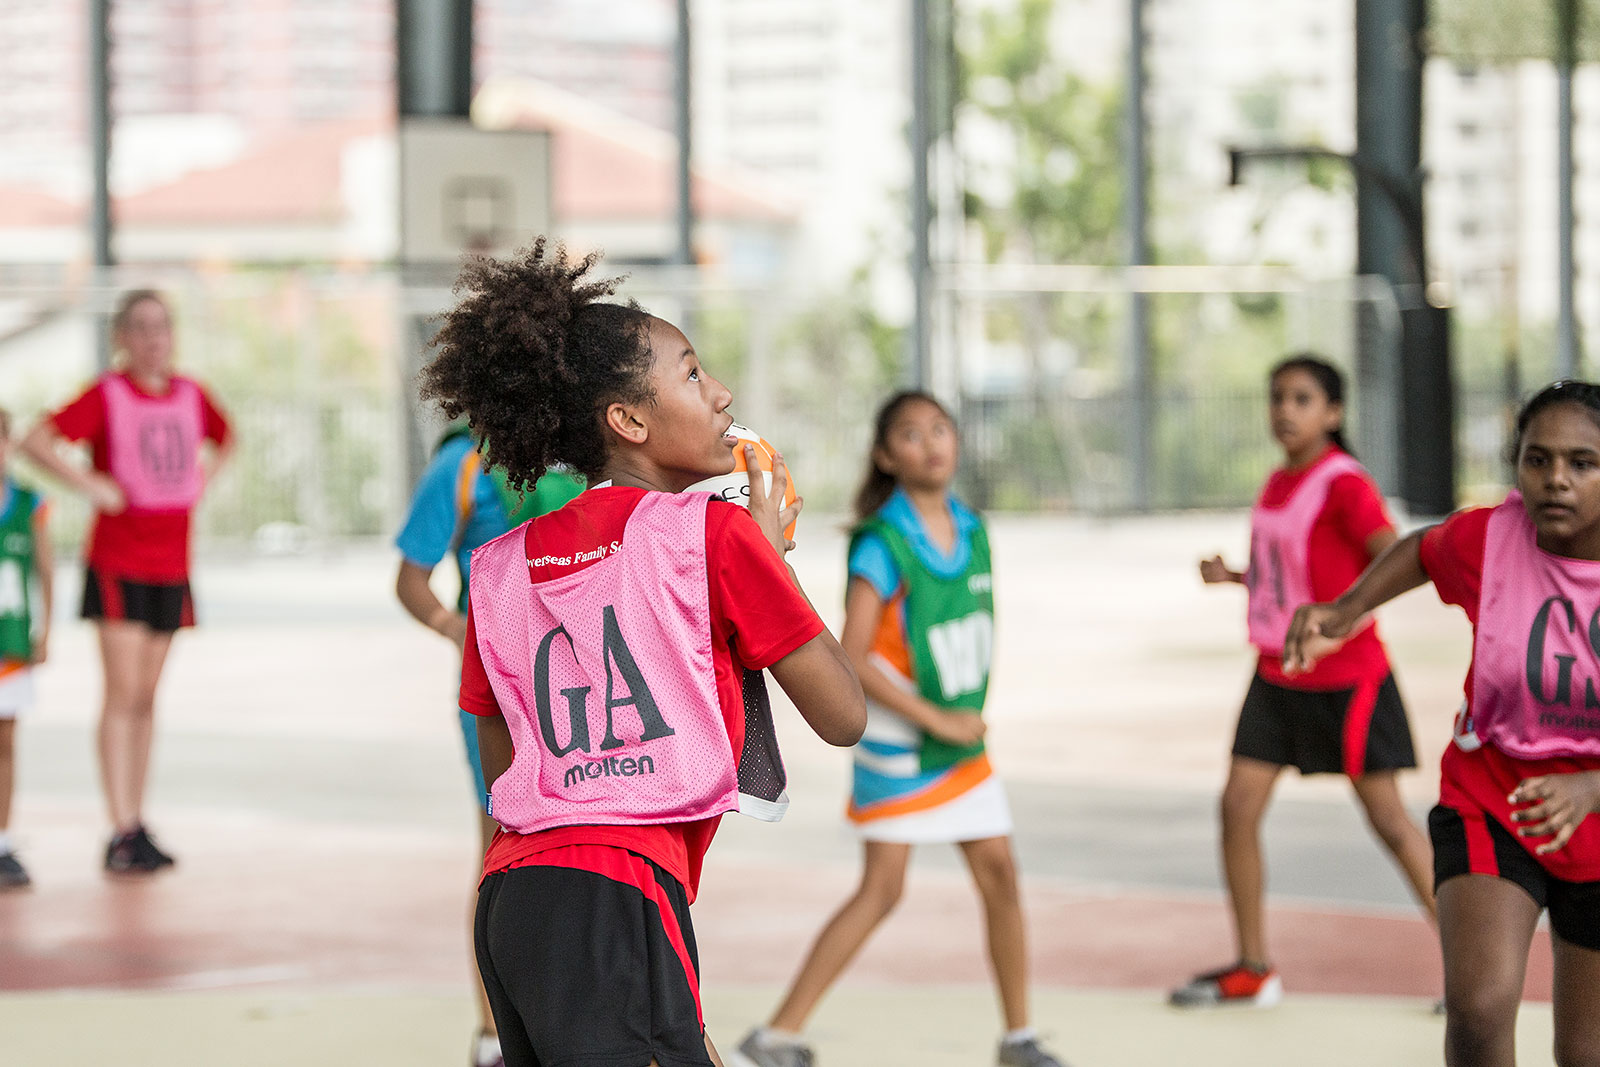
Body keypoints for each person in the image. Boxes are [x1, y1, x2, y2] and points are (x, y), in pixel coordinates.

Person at [418, 238, 866, 1067]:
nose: (723, 391)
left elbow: (496, 748)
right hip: (618, 893)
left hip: (511, 898)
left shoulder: (500, 563)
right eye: (693, 374)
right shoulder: (715, 533)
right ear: (628, 420)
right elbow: (843, 714)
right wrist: (770, 563)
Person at [735, 391, 1069, 1067]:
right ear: (888, 456)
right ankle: (777, 1035)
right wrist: (937, 715)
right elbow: (852, 658)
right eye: (911, 435)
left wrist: (957, 717)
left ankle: (1018, 1036)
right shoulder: (883, 542)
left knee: (1000, 871)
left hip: (957, 744)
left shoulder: (973, 530)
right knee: (883, 887)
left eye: (939, 429)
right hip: (900, 745)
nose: (931, 443)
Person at [1287, 379, 1600, 1066]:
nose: (1555, 480)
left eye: (1582, 462)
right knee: (1481, 1009)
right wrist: (1346, 609)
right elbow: (1424, 549)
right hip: (1494, 796)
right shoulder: (1493, 539)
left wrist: (1591, 785)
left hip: (1597, 815)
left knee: (1585, 1051)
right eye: (1536, 458)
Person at [1169, 355, 1435, 1008]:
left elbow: (1396, 559)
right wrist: (1235, 576)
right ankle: (1254, 966)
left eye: (1303, 398)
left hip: (1347, 679)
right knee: (1236, 807)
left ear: (1334, 413)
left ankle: (1474, 963)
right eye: (1277, 397)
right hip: (1275, 674)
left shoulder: (1344, 483)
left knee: (1392, 822)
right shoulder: (1279, 480)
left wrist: (1343, 620)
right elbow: (1295, 573)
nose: (1285, 409)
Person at [20, 290, 232, 874]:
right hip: (119, 562)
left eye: (161, 327)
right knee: (122, 695)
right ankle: (119, 828)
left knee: (146, 699)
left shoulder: (191, 394)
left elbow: (225, 436)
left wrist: (203, 479)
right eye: (139, 328)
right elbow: (37, 439)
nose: (152, 339)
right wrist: (90, 484)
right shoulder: (106, 396)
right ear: (121, 337)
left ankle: (137, 821)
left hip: (172, 563)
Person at [394, 425, 583, 1067]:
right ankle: (495, 1033)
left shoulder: (595, 448)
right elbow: (411, 580)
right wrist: (457, 628)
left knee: (590, 854)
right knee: (505, 849)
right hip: (500, 691)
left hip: (592, 680)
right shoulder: (463, 463)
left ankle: (579, 1017)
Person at [0, 408, 52, 889]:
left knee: (6, 741)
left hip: (10, 644)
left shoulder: (28, 504)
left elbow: (45, 570)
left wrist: (45, 631)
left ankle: (3, 840)